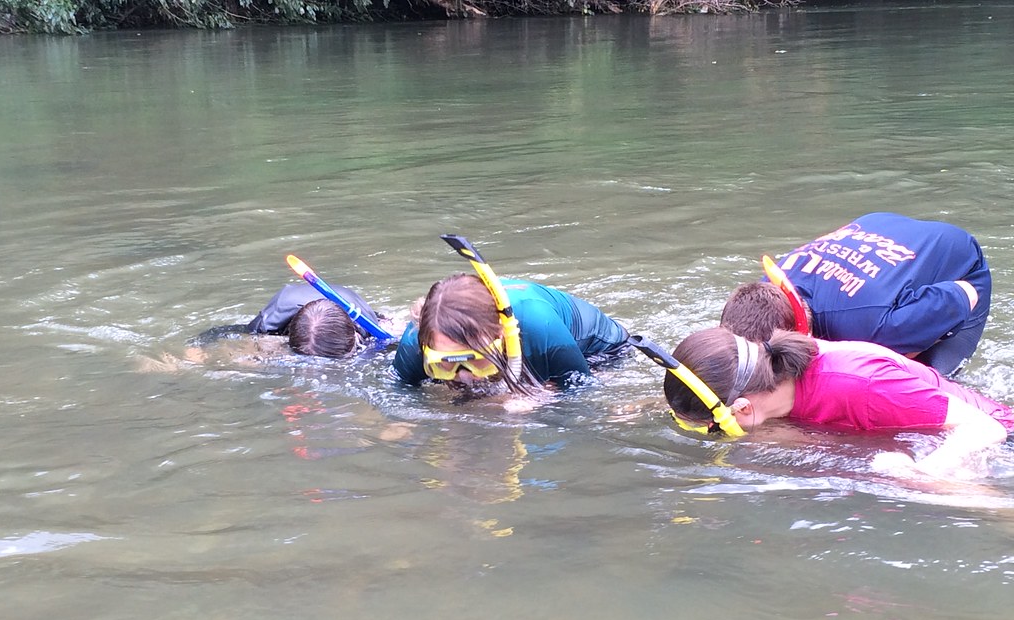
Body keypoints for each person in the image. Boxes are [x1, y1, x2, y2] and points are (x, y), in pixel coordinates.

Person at [657, 326, 1014, 478]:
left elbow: (987, 428)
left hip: (999, 443)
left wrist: (922, 472)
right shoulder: (772, 378)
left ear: (742, 409)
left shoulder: (862, 384)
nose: (713, 433)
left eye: (713, 428)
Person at [720, 212, 991, 377]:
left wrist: (911, 344)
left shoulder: (875, 328)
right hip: (878, 226)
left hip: (962, 271)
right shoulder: (768, 287)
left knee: (923, 381)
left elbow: (965, 294)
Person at [392, 272, 629, 393]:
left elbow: (581, 388)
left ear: (501, 334)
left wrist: (540, 399)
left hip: (600, 350)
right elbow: (398, 388)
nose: (464, 376)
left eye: (476, 361)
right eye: (445, 364)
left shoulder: (538, 325)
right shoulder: (417, 338)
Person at [190, 282, 393, 358]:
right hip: (293, 308)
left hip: (347, 306)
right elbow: (219, 332)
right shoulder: (268, 325)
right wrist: (193, 351)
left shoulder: (368, 329)